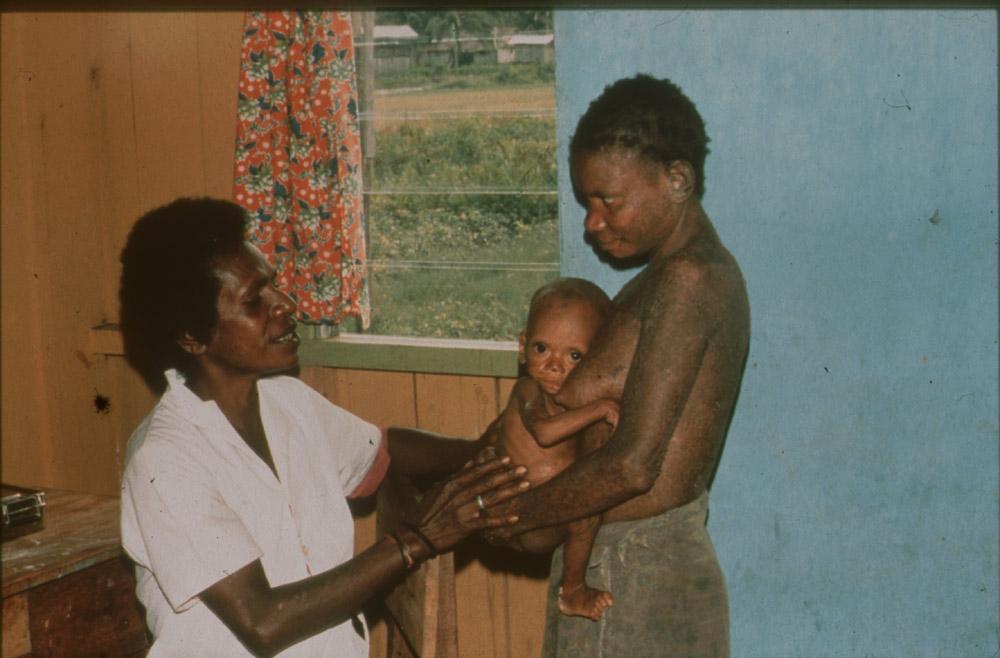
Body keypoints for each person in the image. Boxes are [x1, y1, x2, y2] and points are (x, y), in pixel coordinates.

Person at [117, 197, 529, 658]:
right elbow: (262, 621)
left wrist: (487, 447)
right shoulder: (165, 460)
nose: (286, 305)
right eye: (255, 301)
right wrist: (418, 539)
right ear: (192, 337)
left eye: (274, 286)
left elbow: (383, 449)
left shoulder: (287, 403)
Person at [484, 74, 751, 658]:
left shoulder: (689, 280)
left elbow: (632, 465)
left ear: (677, 179)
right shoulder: (661, 279)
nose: (592, 223)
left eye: (610, 200)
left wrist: (510, 514)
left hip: (632, 573)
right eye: (586, 203)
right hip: (620, 567)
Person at [487, 277, 618, 621]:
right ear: (522, 346)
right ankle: (573, 591)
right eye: (541, 349)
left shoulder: (570, 400)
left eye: (574, 355)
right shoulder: (527, 390)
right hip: (522, 516)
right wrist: (600, 408)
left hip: (545, 516)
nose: (553, 364)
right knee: (587, 511)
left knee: (591, 504)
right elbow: (544, 434)